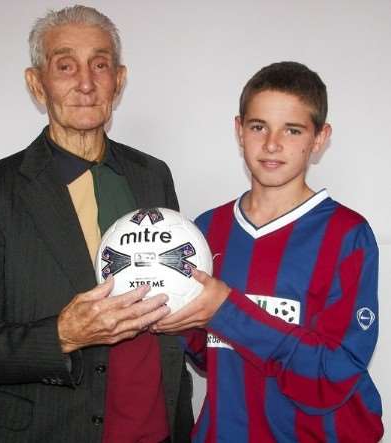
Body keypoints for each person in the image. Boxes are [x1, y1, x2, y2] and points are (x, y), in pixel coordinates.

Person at [0, 5, 193, 443]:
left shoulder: (154, 174)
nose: (85, 83)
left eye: (100, 64)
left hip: (157, 429)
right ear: (37, 84)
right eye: (65, 66)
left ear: (120, 79)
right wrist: (61, 334)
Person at [154, 61, 384, 442]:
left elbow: (334, 371)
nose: (272, 143)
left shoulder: (347, 236)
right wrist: (172, 320)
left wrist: (228, 310)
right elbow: (207, 357)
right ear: (239, 130)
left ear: (319, 138)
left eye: (292, 130)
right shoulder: (206, 229)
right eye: (258, 126)